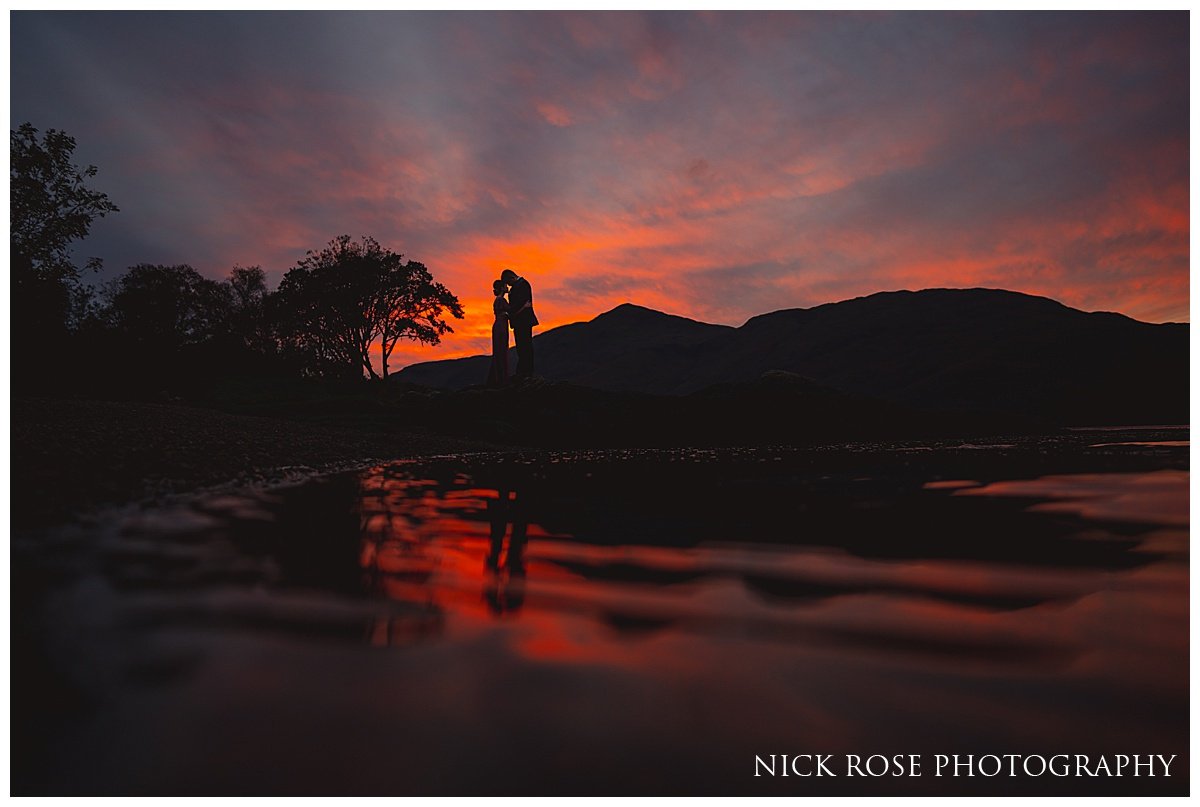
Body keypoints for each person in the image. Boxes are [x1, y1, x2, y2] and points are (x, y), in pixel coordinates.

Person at [501, 268, 538, 379]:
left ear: (511, 277)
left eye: (508, 282)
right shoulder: (517, 286)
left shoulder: (523, 284)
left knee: (526, 345)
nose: (508, 285)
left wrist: (511, 312)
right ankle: (523, 370)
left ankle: (527, 371)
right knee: (521, 346)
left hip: (524, 321)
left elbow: (521, 303)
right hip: (518, 321)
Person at [485, 278, 509, 387]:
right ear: (502, 287)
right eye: (505, 285)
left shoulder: (498, 300)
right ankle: (500, 379)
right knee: (501, 351)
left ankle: (498, 378)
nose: (507, 287)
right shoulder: (501, 300)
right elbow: (511, 311)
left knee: (499, 351)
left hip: (499, 326)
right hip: (501, 327)